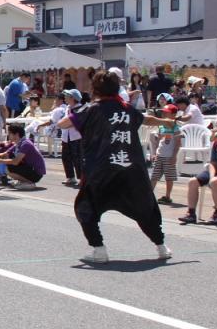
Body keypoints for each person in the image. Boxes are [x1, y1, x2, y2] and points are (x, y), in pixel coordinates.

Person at [57, 70, 176, 264]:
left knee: (86, 208)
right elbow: (146, 119)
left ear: (95, 89)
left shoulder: (91, 109)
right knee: (145, 208)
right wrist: (166, 121)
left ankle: (99, 249)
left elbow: (63, 124)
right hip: (131, 171)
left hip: (101, 172)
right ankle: (162, 247)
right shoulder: (127, 109)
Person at [0, 123, 46, 190]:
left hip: (36, 174)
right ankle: (22, 181)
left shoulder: (26, 144)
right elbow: (5, 154)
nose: (8, 135)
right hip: (29, 169)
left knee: (8, 167)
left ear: (16, 134)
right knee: (5, 161)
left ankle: (29, 183)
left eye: (10, 133)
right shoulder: (18, 143)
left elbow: (15, 162)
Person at [150, 104, 184, 204]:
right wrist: (154, 152)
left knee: (169, 177)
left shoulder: (176, 127)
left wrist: (174, 156)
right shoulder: (161, 126)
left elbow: (178, 143)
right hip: (160, 154)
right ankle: (149, 195)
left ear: (173, 115)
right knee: (154, 176)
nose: (164, 114)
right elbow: (158, 141)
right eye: (164, 112)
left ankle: (167, 196)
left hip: (169, 156)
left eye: (167, 113)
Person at [54, 89, 84, 186]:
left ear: (73, 98)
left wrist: (65, 124)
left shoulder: (80, 108)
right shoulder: (68, 107)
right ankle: (70, 177)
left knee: (78, 158)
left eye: (67, 96)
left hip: (76, 137)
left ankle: (82, 178)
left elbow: (74, 123)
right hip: (66, 136)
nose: (65, 97)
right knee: (66, 157)